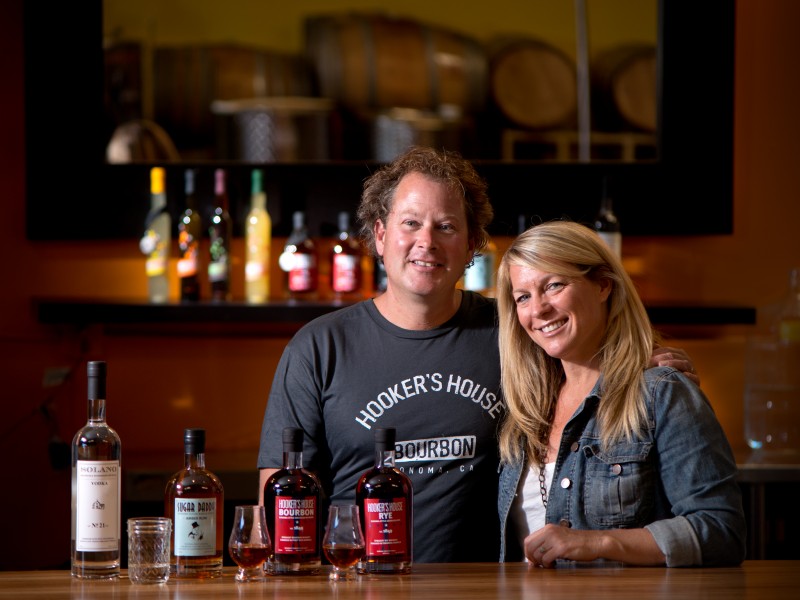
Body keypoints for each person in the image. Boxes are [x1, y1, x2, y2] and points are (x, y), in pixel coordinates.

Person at [257, 146, 699, 563]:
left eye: (446, 226)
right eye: (410, 223)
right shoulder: (319, 347)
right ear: (379, 234)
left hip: (481, 585)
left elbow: (584, 348)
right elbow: (278, 503)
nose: (426, 241)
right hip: (358, 586)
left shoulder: (512, 332)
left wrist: (641, 361)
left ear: (472, 246)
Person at [495, 220, 746, 567]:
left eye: (554, 285)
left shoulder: (661, 393)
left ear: (602, 285)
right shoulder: (524, 414)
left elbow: (721, 531)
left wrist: (597, 542)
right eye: (523, 297)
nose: (538, 310)